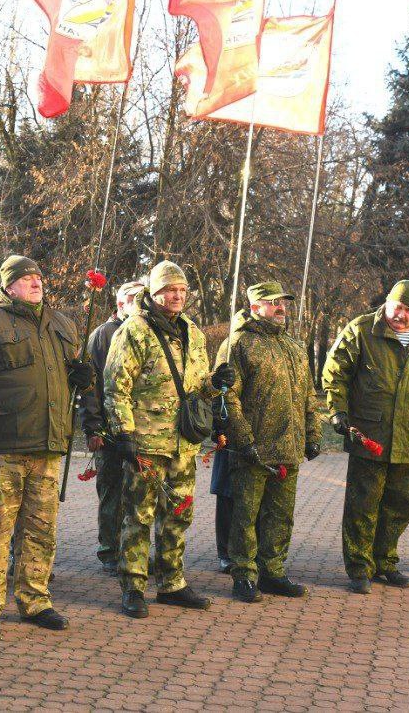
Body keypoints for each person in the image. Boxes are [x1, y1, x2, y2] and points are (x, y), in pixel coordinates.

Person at [0, 255, 91, 640]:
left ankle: (35, 600)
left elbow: (73, 378)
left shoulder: (62, 324)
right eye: (26, 278)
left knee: (40, 531)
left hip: (48, 446)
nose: (35, 282)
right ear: (8, 286)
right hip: (3, 448)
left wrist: (85, 377)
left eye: (38, 277)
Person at [104, 261, 222, 618]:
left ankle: (172, 583)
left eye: (182, 290)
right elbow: (116, 386)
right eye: (170, 290)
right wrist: (123, 433)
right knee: (138, 516)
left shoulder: (194, 333)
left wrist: (216, 383)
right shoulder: (134, 330)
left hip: (183, 443)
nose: (177, 296)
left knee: (178, 514)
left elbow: (197, 387)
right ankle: (134, 586)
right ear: (154, 292)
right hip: (145, 443)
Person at [322, 279, 409, 594]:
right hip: (370, 434)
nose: (401, 315)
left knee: (398, 506)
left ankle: (385, 562)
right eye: (397, 307)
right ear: (387, 302)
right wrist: (337, 411)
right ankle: (359, 567)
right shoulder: (362, 330)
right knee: (362, 505)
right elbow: (335, 373)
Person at [215, 281, 319, 604]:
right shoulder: (239, 343)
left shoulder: (294, 346)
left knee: (280, 516)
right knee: (245, 516)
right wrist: (243, 439)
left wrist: (313, 434)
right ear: (255, 306)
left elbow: (308, 394)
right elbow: (227, 397)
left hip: (288, 448)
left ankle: (272, 571)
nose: (280, 307)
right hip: (253, 450)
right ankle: (244, 575)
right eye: (272, 302)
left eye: (282, 302)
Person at [78, 280, 143, 573]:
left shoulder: (145, 331)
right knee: (112, 492)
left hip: (140, 427)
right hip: (109, 427)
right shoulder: (103, 335)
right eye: (134, 298)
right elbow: (91, 386)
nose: (140, 303)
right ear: (120, 304)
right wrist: (93, 427)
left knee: (137, 494)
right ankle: (110, 550)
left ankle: (132, 549)